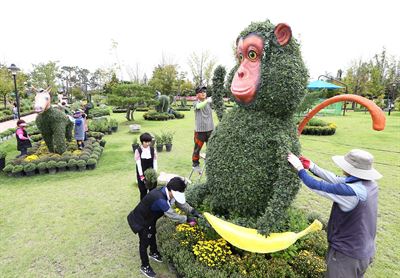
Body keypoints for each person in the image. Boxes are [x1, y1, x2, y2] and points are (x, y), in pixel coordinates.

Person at [287, 149, 382, 278]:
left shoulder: (351, 192)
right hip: (364, 251)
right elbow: (337, 180)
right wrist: (311, 166)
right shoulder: (370, 185)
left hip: (346, 255)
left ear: (351, 169)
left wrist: (299, 169)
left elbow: (317, 186)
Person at [127, 177, 201, 278]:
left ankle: (153, 252)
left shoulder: (168, 192)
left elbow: (180, 203)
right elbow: (172, 215)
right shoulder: (160, 199)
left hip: (150, 218)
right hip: (141, 220)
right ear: (171, 190)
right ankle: (144, 266)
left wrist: (192, 211)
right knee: (144, 242)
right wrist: (187, 219)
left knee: (152, 232)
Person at [191, 85, 214, 172]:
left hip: (210, 129)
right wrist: (207, 100)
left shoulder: (209, 102)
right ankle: (195, 164)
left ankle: (211, 162)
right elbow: (199, 106)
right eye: (201, 92)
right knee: (197, 149)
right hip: (200, 131)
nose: (203, 93)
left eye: (204, 92)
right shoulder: (195, 103)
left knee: (211, 147)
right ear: (197, 95)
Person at [135, 132, 158, 200]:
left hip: (151, 172)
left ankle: (152, 204)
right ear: (142, 142)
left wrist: (155, 172)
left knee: (153, 190)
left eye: (149, 142)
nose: (148, 143)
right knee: (143, 191)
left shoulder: (153, 150)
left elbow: (155, 161)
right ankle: (143, 205)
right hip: (141, 172)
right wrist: (141, 175)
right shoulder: (138, 151)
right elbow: (138, 164)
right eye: (146, 142)